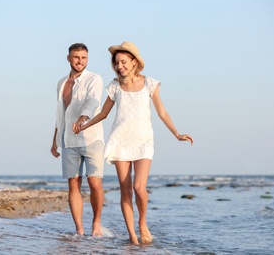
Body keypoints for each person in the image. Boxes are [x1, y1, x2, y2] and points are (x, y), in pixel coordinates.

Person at [73, 41, 193, 244]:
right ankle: (133, 238)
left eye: (124, 62)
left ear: (134, 62)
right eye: (117, 63)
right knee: (125, 190)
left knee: (139, 188)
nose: (120, 66)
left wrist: (177, 134)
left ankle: (142, 223)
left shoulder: (149, 84)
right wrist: (84, 125)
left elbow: (162, 112)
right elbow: (103, 113)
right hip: (120, 141)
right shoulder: (115, 86)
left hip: (143, 140)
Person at [51, 43, 105, 236]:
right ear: (69, 59)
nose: (80, 61)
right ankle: (79, 230)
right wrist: (55, 140)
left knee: (94, 184)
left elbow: (93, 101)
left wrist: (83, 118)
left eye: (84, 58)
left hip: (92, 139)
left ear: (87, 59)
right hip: (69, 141)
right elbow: (61, 114)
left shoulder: (94, 79)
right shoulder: (61, 83)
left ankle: (96, 223)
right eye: (76, 57)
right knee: (73, 184)